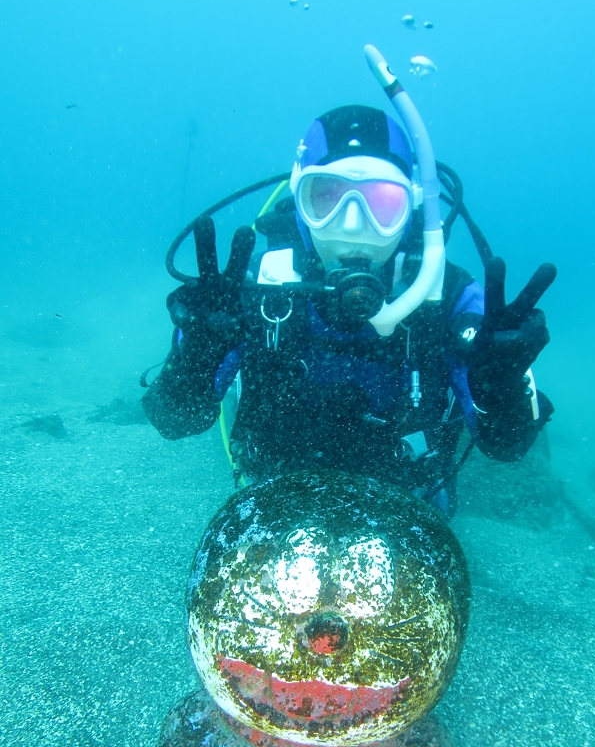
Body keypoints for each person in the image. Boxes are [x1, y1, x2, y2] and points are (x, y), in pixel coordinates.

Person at [142, 100, 556, 520]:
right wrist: (195, 359)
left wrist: (501, 392)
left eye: (382, 202)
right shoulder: (248, 290)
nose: (354, 226)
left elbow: (507, 447)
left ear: (412, 209)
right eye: (327, 197)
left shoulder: (450, 298)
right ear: (300, 206)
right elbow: (174, 421)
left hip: (409, 507)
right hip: (275, 502)